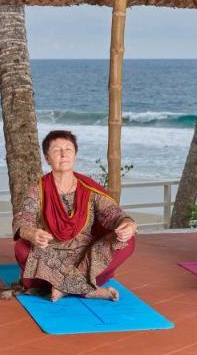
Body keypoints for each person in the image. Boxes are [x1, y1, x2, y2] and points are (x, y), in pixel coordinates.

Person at [7, 129, 136, 302]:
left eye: (68, 149)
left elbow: (113, 213)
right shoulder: (37, 190)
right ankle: (85, 290)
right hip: (50, 253)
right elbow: (24, 218)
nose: (63, 154)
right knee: (21, 248)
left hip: (85, 255)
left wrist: (128, 224)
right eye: (56, 150)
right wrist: (32, 233)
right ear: (47, 158)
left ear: (75, 154)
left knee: (127, 241)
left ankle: (63, 287)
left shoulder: (89, 189)